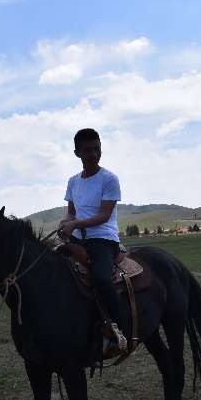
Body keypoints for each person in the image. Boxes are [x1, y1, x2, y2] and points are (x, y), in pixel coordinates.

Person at [58, 128, 127, 353]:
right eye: (87, 150)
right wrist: (65, 225)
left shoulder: (109, 179)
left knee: (102, 279)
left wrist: (75, 224)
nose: (94, 154)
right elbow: (71, 212)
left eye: (97, 148)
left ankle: (119, 330)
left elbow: (104, 215)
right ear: (76, 152)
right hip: (78, 239)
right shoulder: (73, 182)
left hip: (103, 239)